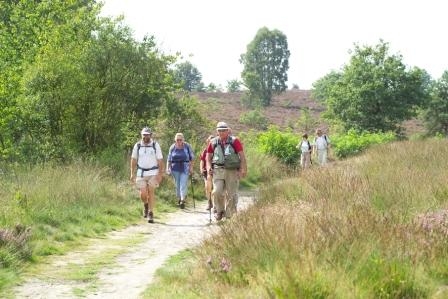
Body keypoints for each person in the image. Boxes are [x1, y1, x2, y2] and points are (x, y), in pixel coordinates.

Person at [206, 122, 247, 221]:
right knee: (216, 191)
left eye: (223, 130)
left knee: (231, 193)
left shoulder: (235, 141)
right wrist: (208, 168)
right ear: (217, 131)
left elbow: (242, 156)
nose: (221, 132)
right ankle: (219, 211)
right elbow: (208, 157)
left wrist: (243, 169)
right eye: (219, 130)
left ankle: (229, 215)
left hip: (232, 171)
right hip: (218, 170)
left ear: (228, 131)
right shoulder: (213, 142)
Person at [130, 127, 164, 223]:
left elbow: (160, 160)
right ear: (141, 135)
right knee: (143, 193)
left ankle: (150, 212)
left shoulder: (155, 145)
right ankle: (145, 204)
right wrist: (132, 173)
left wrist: (160, 174)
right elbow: (133, 160)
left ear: (150, 135)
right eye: (144, 135)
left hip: (153, 172)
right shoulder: (137, 146)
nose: (145, 136)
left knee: (151, 191)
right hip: (141, 172)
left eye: (147, 134)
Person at [166, 133, 194, 209]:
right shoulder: (172, 147)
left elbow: (191, 158)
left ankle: (182, 200)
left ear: (183, 140)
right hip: (175, 168)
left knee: (183, 184)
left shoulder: (187, 146)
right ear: (175, 140)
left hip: (185, 167)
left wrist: (191, 168)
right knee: (177, 184)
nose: (179, 141)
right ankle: (179, 198)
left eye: (180, 139)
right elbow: (169, 159)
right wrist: (167, 168)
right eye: (177, 140)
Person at [200, 135, 214, 211]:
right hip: (206, 171)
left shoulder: (217, 149)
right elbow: (202, 161)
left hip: (216, 171)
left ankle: (216, 205)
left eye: (212, 141)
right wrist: (201, 169)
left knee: (215, 189)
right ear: (207, 142)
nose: (211, 142)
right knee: (207, 187)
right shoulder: (205, 151)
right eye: (210, 141)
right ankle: (209, 202)